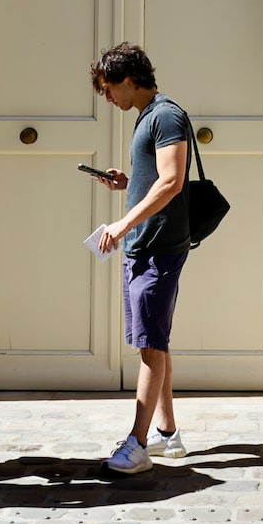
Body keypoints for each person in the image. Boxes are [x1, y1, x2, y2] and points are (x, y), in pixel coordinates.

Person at [88, 42, 194, 475]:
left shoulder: (167, 115)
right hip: (145, 244)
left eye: (109, 88)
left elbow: (172, 181)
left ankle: (137, 443)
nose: (107, 98)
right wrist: (129, 183)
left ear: (128, 79)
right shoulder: (147, 118)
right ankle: (167, 435)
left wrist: (123, 223)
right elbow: (156, 180)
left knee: (150, 344)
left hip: (159, 244)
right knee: (154, 340)